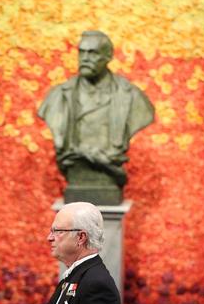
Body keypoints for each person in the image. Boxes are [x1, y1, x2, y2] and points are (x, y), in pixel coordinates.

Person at [38, 31, 154, 204]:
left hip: (109, 182)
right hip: (75, 180)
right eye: (81, 52)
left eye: (92, 53)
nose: (84, 58)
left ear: (108, 57)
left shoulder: (131, 97)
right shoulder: (58, 97)